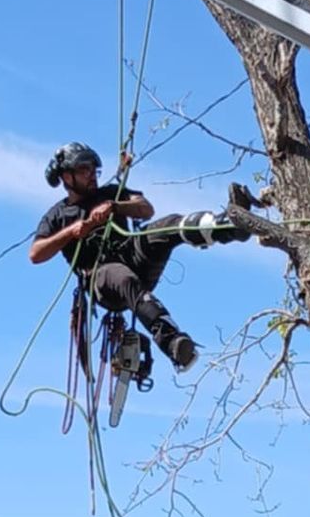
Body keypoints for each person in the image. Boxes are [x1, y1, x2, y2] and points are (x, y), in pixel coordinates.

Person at [30, 142, 250, 372]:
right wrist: (72, 231)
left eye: (94, 170)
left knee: (167, 225)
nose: (92, 176)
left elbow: (145, 208)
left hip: (133, 257)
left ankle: (229, 226)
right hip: (101, 280)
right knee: (121, 277)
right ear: (67, 176)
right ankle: (172, 342)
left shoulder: (110, 193)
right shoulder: (56, 215)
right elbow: (36, 253)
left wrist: (114, 207)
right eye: (85, 170)